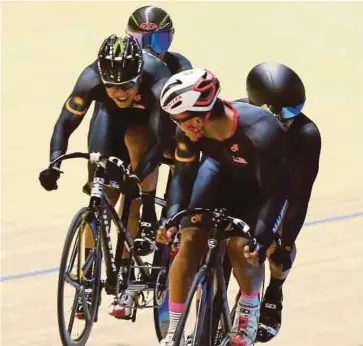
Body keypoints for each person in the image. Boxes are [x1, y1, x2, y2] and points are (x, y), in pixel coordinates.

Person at [38, 34, 174, 318]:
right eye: (112, 86)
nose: (120, 92)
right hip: (110, 121)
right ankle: (86, 285)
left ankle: (125, 273)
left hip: (146, 125)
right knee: (100, 192)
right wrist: (54, 162)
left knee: (131, 189)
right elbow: (65, 123)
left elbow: (161, 142)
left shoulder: (158, 80)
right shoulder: (90, 80)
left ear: (139, 77)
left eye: (126, 85)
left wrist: (136, 179)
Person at [157, 68, 287, 345]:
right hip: (217, 173)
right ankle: (174, 331)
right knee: (189, 238)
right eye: (174, 120)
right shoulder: (189, 131)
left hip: (257, 188)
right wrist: (171, 218)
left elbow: (276, 192)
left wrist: (263, 237)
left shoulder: (260, 131)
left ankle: (249, 309)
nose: (179, 126)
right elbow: (182, 177)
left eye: (182, 119)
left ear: (203, 114)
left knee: (242, 247)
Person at [235, 62, 322, 342]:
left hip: (279, 187)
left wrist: (284, 245)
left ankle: (274, 290)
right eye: (283, 112)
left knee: (277, 241)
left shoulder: (306, 135)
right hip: (240, 178)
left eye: (295, 111)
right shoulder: (235, 114)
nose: (290, 119)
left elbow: (299, 195)